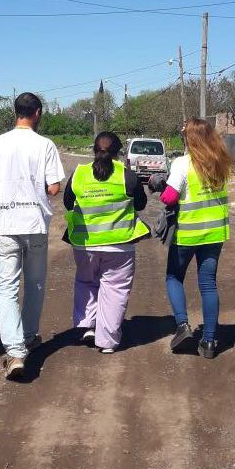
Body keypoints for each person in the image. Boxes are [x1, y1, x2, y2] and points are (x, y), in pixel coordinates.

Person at [0, 92, 65, 380]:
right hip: (35, 223)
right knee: (35, 283)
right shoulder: (45, 145)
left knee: (7, 287)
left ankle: (15, 352)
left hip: (5, 224)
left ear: (15, 112)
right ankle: (27, 336)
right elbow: (54, 188)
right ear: (37, 112)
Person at [64, 132, 149, 352]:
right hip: (119, 246)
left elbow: (67, 202)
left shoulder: (79, 173)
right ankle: (108, 342)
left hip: (85, 244)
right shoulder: (127, 176)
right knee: (115, 291)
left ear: (94, 150)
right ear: (118, 153)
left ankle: (87, 326)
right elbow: (141, 204)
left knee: (86, 282)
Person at [160, 118, 234, 359]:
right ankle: (210, 341)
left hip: (188, 233)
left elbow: (170, 197)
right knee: (208, 284)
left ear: (189, 139)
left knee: (174, 277)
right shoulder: (220, 162)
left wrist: (160, 187)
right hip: (214, 233)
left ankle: (183, 325)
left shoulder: (183, 163)